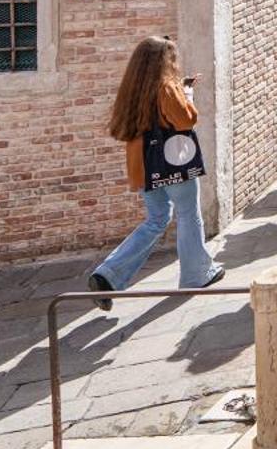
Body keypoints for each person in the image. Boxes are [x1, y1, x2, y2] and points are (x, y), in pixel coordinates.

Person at [88, 37, 224, 309]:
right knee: (188, 214)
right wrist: (186, 94)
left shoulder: (133, 89)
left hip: (143, 165)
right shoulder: (166, 87)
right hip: (171, 162)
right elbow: (185, 120)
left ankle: (108, 274)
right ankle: (196, 275)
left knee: (157, 219)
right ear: (164, 61)